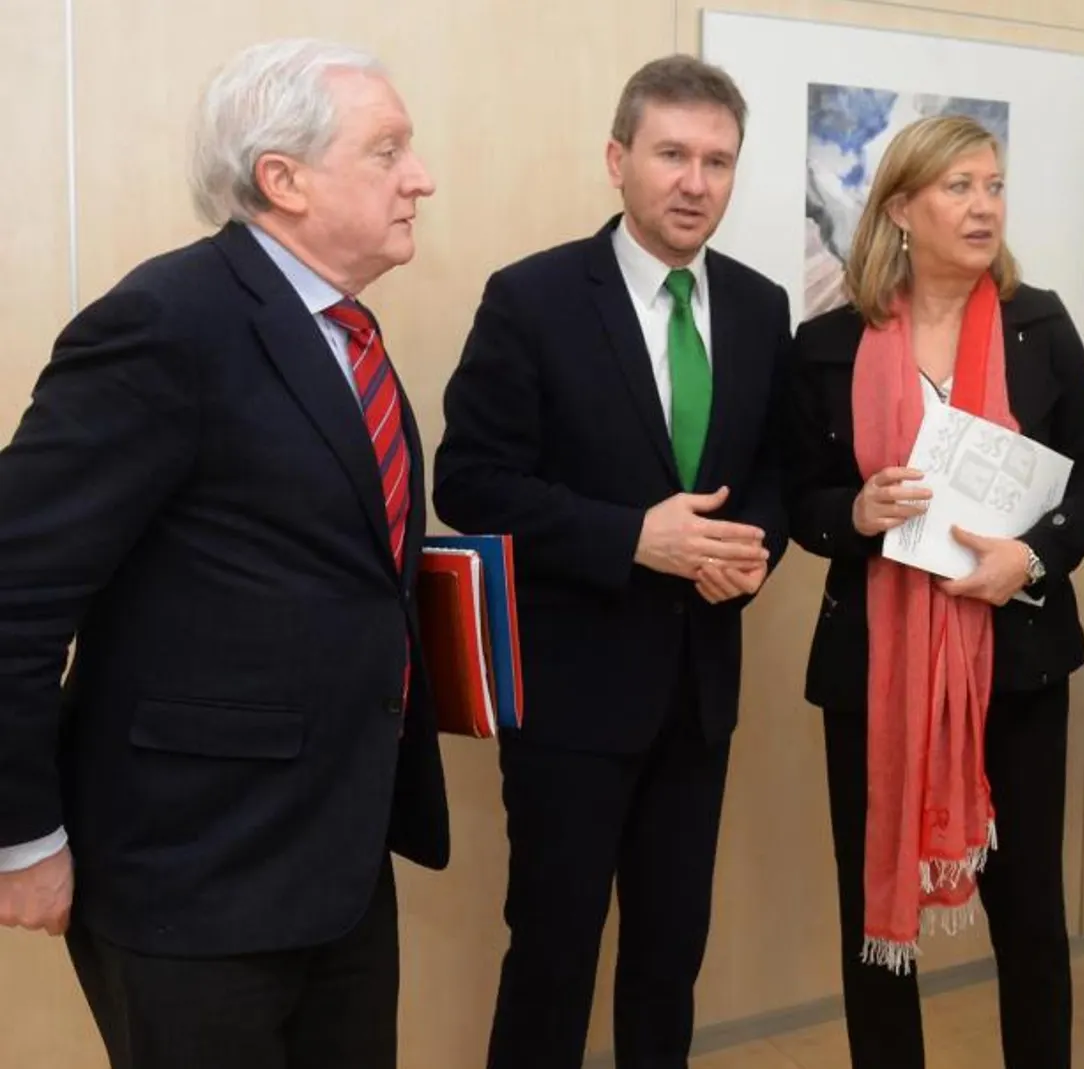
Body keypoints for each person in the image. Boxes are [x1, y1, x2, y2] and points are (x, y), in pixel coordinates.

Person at [0, 38, 448, 1069]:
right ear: (281, 179)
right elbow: (14, 588)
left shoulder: (346, 332)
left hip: (335, 857)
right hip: (193, 872)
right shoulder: (165, 323)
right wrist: (21, 835)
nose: (419, 175)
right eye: (388, 150)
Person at [432, 54, 789, 1069]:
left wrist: (745, 547)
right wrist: (632, 536)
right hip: (571, 702)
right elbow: (470, 480)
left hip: (697, 694)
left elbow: (769, 467)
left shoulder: (761, 308)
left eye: (717, 160)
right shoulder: (534, 297)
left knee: (670, 957)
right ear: (617, 159)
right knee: (552, 954)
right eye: (672, 153)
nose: (695, 181)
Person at [785, 113, 1084, 1069]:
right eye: (959, 187)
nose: (984, 207)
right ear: (901, 205)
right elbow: (796, 495)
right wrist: (851, 512)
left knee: (1029, 912)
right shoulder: (825, 345)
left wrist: (1033, 558)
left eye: (995, 185)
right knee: (872, 912)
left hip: (1015, 663)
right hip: (872, 672)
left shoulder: (1040, 324)